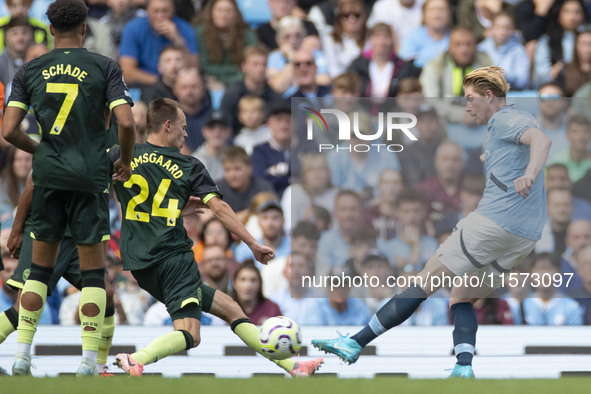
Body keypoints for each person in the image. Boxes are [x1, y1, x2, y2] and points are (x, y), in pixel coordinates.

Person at [312, 66, 552, 378]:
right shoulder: (504, 128)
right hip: (524, 236)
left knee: (423, 282)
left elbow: (542, 141)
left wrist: (530, 174)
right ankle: (464, 368)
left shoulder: (506, 118)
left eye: (470, 98)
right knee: (461, 296)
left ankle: (356, 343)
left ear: (489, 96)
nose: (465, 106)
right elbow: (518, 150)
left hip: (492, 223)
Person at [110, 98, 322, 377]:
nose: (187, 134)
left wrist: (180, 207)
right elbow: (219, 207)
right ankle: (135, 359)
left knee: (231, 308)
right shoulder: (189, 166)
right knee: (190, 334)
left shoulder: (122, 154)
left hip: (138, 259)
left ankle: (293, 366)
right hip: (172, 256)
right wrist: (252, 242)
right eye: (183, 128)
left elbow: (141, 198)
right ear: (168, 124)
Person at [0, 0, 136, 376]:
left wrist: (42, 149)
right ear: (84, 27)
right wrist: (123, 160)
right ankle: (89, 363)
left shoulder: (30, 69)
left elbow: (9, 130)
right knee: (94, 275)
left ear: (49, 26)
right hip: (90, 176)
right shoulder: (104, 67)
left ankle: (22, 356)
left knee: (38, 273)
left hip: (48, 177)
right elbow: (126, 122)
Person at [119, 0, 198, 86]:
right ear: (147, 11)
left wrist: (177, 39)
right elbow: (127, 72)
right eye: (155, 11)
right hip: (145, 84)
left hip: (179, 85)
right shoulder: (133, 28)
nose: (160, 16)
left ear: (173, 10)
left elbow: (194, 68)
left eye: (165, 11)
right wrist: (161, 83)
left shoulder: (185, 29)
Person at [219, 45, 284, 135]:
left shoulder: (275, 96)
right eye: (255, 64)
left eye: (264, 64)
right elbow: (224, 127)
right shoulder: (232, 95)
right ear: (244, 66)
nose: (260, 69)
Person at [194, 0, 258, 87]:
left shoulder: (247, 34)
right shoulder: (201, 33)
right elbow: (205, 66)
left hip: (239, 80)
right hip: (209, 81)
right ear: (211, 12)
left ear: (235, 14)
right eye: (219, 10)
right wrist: (236, 69)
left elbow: (251, 62)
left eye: (228, 11)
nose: (223, 15)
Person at [398, 0, 452, 68]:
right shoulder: (413, 36)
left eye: (442, 9)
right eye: (432, 9)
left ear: (449, 13)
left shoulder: (455, 37)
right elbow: (403, 62)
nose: (437, 13)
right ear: (424, 14)